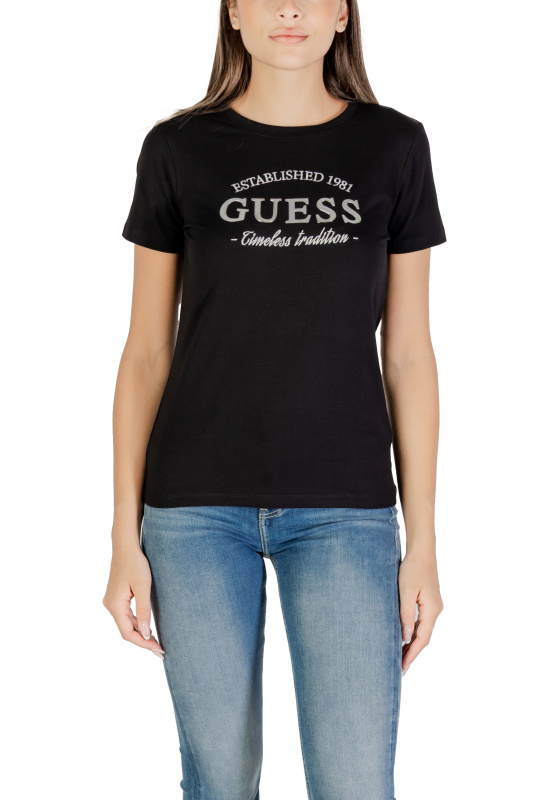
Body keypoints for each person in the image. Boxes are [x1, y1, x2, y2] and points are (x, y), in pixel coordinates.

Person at [103, 2, 446, 798]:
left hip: (346, 510)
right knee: (219, 781)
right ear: (231, 10)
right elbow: (145, 352)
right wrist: (123, 534)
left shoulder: (394, 145)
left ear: (340, 14)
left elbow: (408, 354)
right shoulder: (177, 148)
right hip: (192, 510)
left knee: (354, 783)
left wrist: (423, 541)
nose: (287, 7)